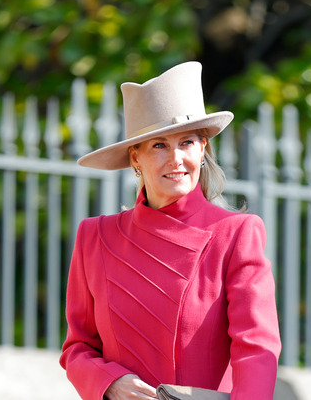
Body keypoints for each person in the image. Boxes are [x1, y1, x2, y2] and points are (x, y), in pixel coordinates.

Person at [60, 61, 281, 400]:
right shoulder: (95, 237)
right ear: (136, 158)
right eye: (159, 145)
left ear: (203, 149)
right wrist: (108, 383)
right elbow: (77, 347)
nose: (176, 159)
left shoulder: (236, 233)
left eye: (188, 143)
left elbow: (256, 348)